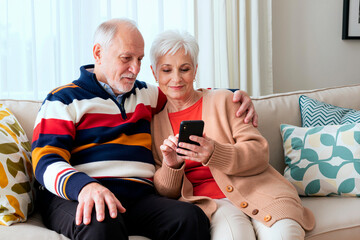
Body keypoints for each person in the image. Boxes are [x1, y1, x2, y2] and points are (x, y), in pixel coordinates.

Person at [31, 18, 256, 240]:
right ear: (98, 53)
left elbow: (182, 91)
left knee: (189, 217)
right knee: (101, 223)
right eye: (126, 58)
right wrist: (85, 187)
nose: (135, 68)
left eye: (139, 59)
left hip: (137, 199)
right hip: (79, 197)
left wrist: (236, 95)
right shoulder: (63, 99)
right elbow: (45, 161)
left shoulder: (145, 94)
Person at [150, 30, 316, 240]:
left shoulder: (224, 100)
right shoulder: (154, 124)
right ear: (155, 73)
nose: (176, 78)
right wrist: (171, 166)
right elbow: (166, 192)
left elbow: (259, 154)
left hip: (261, 191)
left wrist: (216, 152)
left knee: (284, 236)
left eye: (185, 69)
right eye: (166, 70)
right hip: (212, 204)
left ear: (195, 70)